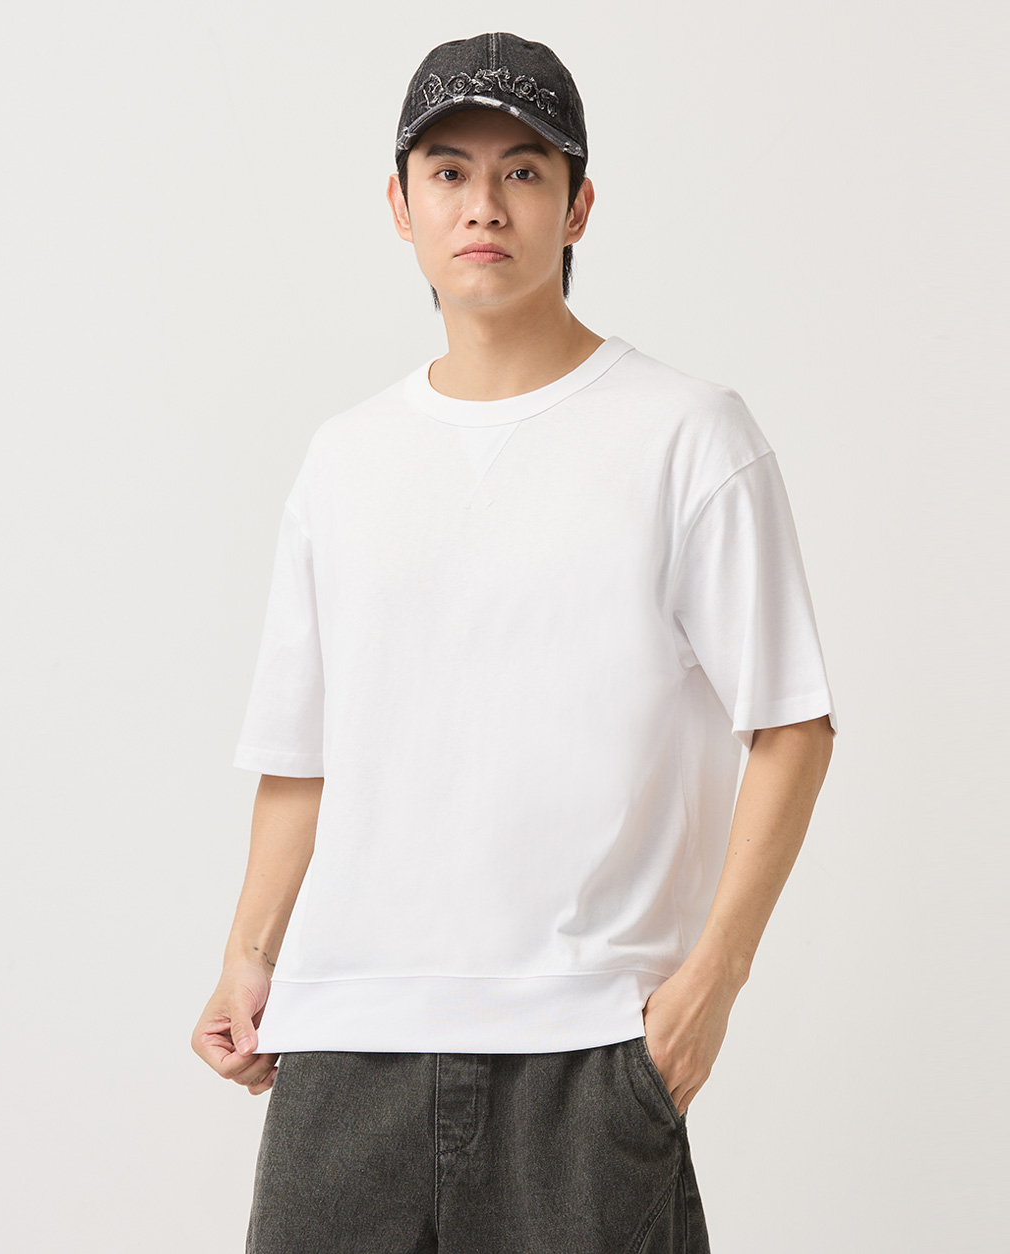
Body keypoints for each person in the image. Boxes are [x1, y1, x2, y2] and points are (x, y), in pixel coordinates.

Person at [191, 30, 838, 1254]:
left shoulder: (688, 434)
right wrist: (246, 955)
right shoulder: (345, 458)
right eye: (448, 171)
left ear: (577, 205)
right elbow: (301, 754)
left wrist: (712, 984)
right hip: (346, 1046)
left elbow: (792, 726)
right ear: (400, 206)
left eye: (523, 171)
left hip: (584, 1051)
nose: (482, 205)